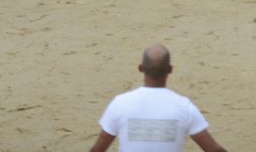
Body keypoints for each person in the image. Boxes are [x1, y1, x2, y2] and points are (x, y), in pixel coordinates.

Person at [88, 45, 229, 152]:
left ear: (141, 68)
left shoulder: (120, 104)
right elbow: (213, 149)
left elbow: (98, 149)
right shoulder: (184, 106)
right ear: (170, 69)